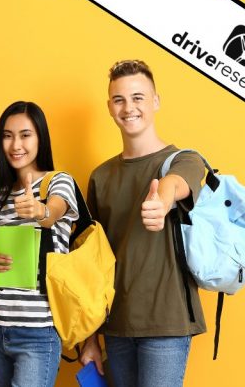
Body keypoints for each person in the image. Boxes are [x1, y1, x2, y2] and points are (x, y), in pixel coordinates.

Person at [79, 60, 207, 387]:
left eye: (138, 97)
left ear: (156, 101)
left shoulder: (184, 159)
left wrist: (161, 201)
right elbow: (91, 264)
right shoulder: (101, 177)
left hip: (166, 322)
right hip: (116, 324)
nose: (129, 107)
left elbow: (177, 183)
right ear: (109, 107)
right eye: (119, 99)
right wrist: (91, 339)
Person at [0, 101, 79, 387]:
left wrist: (41, 211)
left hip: (39, 330)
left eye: (25, 135)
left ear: (40, 138)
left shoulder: (57, 182)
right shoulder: (0, 193)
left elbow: (55, 211)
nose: (15, 144)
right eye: (7, 135)